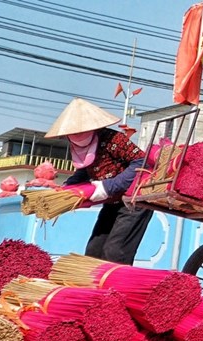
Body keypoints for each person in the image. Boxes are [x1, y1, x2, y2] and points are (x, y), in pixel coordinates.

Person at [45, 98, 152, 265]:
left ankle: (115, 290)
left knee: (115, 253)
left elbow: (141, 162)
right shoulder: (78, 147)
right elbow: (85, 170)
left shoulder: (113, 139)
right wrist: (68, 187)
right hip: (112, 202)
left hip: (134, 201)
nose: (77, 135)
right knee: (93, 252)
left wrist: (110, 186)